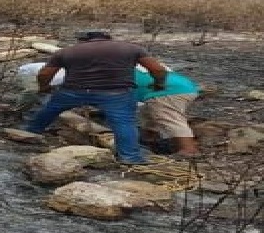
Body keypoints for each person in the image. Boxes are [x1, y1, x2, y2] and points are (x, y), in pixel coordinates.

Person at [24, 30, 168, 165]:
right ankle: (130, 157)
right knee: (124, 123)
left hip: (73, 91)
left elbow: (45, 74)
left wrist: (44, 87)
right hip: (116, 93)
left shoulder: (67, 51)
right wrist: (159, 83)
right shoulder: (131, 48)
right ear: (108, 38)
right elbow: (157, 69)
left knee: (49, 110)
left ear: (84, 40)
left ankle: (30, 134)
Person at [134, 65, 201, 157]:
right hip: (182, 86)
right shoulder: (137, 62)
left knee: (169, 117)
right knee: (148, 113)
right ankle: (150, 138)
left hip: (167, 91)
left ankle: (188, 149)